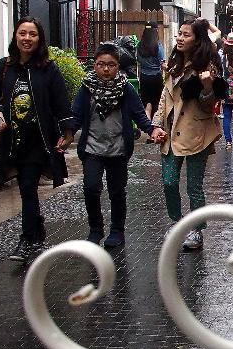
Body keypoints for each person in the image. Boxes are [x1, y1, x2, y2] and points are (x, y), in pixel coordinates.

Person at [0, 16, 74, 262]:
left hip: (39, 141)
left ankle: (27, 240)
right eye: (23, 33)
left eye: (32, 34)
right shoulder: (5, 66)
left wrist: (67, 132)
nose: (27, 38)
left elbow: (61, 103)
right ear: (16, 36)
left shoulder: (48, 68)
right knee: (26, 190)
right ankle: (37, 227)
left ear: (39, 38)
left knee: (27, 187)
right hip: (12, 140)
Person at [59, 43, 165, 247]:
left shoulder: (125, 87)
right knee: (90, 188)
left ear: (118, 66)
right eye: (101, 64)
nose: (106, 69)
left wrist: (152, 129)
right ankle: (95, 229)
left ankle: (117, 231)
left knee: (117, 190)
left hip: (118, 149)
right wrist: (67, 134)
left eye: (111, 65)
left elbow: (139, 114)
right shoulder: (86, 87)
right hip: (92, 148)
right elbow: (76, 115)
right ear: (94, 65)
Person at [152, 18, 228, 251]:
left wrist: (207, 87)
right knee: (168, 181)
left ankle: (196, 230)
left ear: (197, 39)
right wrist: (155, 125)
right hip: (171, 132)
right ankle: (176, 222)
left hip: (197, 132)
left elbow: (209, 106)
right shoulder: (173, 64)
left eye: (186, 35)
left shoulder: (207, 66)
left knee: (194, 186)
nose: (180, 38)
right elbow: (165, 98)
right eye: (179, 34)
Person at [136, 20, 166, 123]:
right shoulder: (158, 45)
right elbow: (162, 64)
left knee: (147, 103)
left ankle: (148, 128)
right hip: (156, 78)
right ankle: (155, 131)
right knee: (157, 104)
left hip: (144, 77)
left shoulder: (139, 45)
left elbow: (138, 62)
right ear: (156, 30)